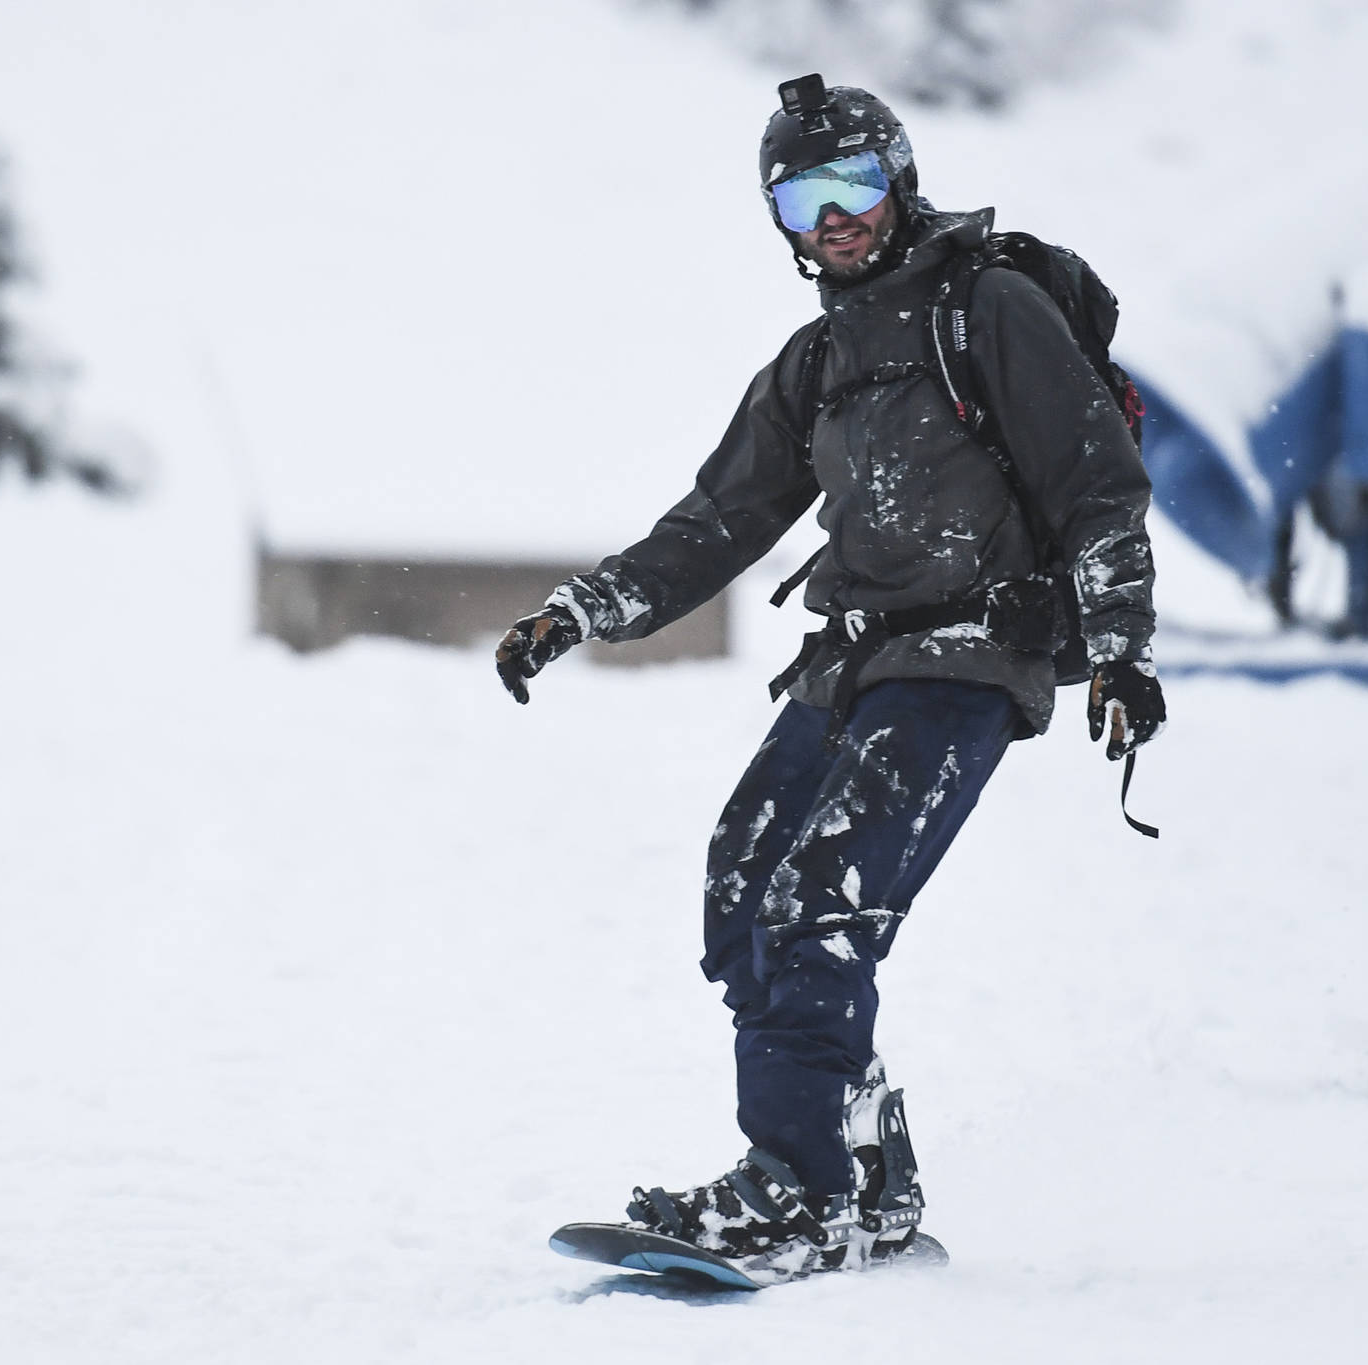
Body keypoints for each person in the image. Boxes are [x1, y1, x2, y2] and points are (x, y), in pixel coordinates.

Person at [496, 74, 1163, 1281]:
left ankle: (793, 1193)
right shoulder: (817, 360)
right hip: (854, 659)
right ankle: (859, 1177)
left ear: (898, 181)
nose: (834, 218)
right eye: (802, 199)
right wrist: (582, 609)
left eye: (851, 187)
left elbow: (1094, 481)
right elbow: (720, 517)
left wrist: (1119, 648)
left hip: (966, 657)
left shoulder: (988, 305)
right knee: (742, 890)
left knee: (819, 903)